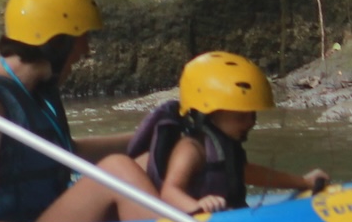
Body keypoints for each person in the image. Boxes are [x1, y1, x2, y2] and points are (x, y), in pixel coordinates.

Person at [0, 0, 164, 222]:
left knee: (154, 158)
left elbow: (65, 152)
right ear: (57, 43)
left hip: (42, 221)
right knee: (118, 169)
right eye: (80, 38)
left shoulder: (35, 91)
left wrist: (152, 135)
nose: (85, 50)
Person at [132, 51, 331, 213]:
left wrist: (303, 181)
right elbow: (169, 191)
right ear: (207, 115)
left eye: (252, 115)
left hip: (231, 215)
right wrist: (197, 207)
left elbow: (247, 173)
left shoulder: (227, 145)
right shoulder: (190, 149)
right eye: (240, 117)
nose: (250, 122)